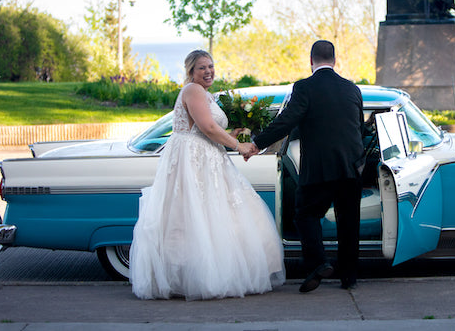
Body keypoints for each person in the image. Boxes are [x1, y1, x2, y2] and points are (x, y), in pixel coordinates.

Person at [130, 50, 285, 300]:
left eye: (211, 66)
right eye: (202, 67)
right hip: (192, 160)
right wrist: (239, 147)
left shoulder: (205, 94)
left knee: (219, 212)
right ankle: (195, 277)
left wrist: (233, 136)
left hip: (208, 155)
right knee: (195, 213)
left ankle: (222, 272)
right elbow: (207, 127)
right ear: (191, 71)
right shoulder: (192, 90)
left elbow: (211, 130)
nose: (208, 71)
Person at [248, 40, 365, 292]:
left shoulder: (304, 87)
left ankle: (318, 263)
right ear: (334, 60)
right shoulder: (352, 89)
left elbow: (287, 121)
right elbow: (359, 127)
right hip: (350, 167)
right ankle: (349, 278)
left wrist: (257, 143)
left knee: (305, 213)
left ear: (310, 61)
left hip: (319, 169)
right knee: (349, 221)